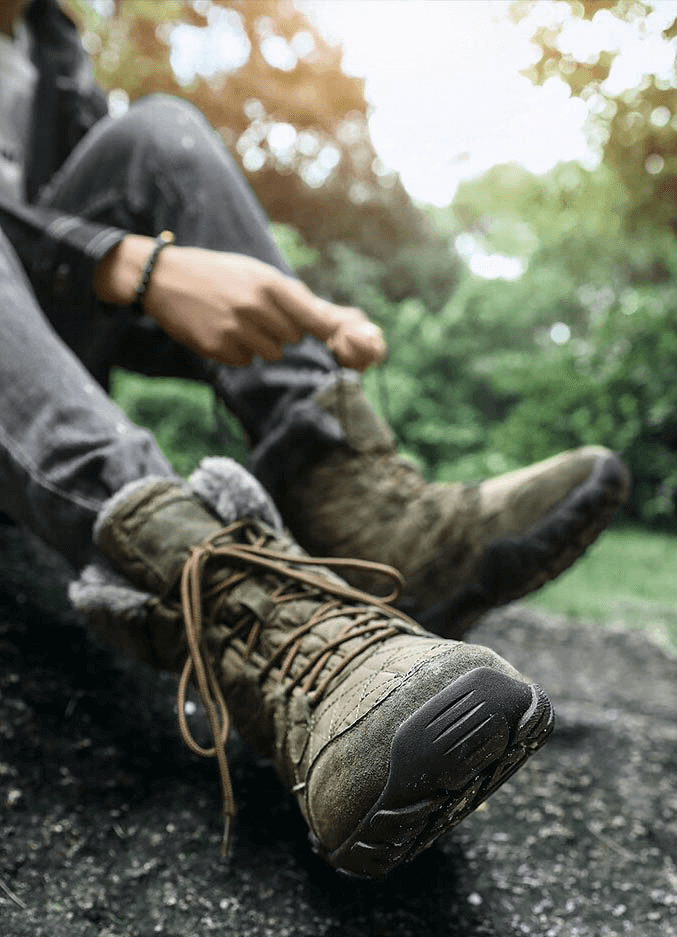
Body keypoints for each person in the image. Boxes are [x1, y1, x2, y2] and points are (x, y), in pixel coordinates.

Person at [0, 0, 628, 878]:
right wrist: (130, 264)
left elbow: (38, 320)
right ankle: (252, 626)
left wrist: (260, 312)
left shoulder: (47, 40)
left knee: (157, 133)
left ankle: (358, 506)